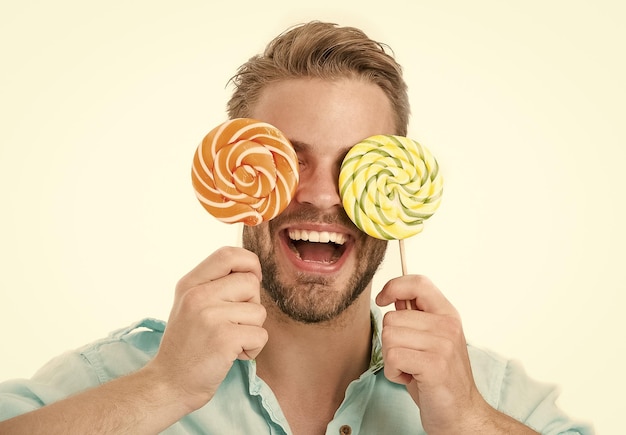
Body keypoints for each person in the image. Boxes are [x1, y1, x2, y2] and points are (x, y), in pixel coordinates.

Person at [0, 21, 592, 435]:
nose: (319, 194)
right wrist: (164, 390)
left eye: (354, 163)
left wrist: (467, 421)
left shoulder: (488, 395)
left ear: (396, 183)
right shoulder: (121, 379)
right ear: (239, 164)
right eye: (289, 156)